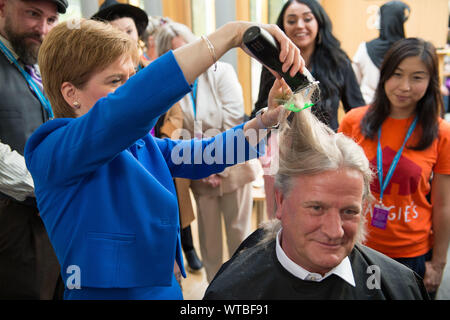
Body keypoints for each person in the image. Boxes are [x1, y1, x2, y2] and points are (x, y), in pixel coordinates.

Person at [24, 18, 302, 299]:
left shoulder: (139, 143)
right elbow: (131, 105)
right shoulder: (52, 150)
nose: (128, 89)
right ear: (71, 93)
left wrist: (267, 120)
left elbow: (205, 154)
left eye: (131, 78)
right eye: (115, 81)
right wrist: (231, 34)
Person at [203, 102, 429, 300]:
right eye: (317, 208)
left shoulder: (400, 288)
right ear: (280, 202)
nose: (334, 231)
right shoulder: (232, 292)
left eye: (349, 211)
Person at [339, 38, 450, 298]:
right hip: (359, 246)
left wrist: (439, 263)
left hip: (412, 254)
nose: (405, 87)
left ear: (430, 82)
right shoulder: (354, 122)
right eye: (397, 75)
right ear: (384, 75)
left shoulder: (441, 133)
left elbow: (443, 204)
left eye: (417, 77)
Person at [156, 22, 260, 283]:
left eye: (186, 50)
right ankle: (215, 293)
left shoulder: (221, 72)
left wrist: (215, 166)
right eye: (174, 55)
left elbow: (235, 120)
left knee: (240, 241)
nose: (184, 59)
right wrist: (201, 168)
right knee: (209, 245)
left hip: (233, 169)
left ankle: (243, 292)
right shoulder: (169, 84)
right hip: (199, 176)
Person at [251, 0, 365, 219]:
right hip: (283, 156)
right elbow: (260, 108)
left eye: (307, 18)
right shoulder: (273, 65)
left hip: (326, 155)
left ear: (319, 22)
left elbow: (357, 110)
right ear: (283, 29)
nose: (300, 25)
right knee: (283, 217)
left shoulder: (338, 61)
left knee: (319, 216)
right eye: (291, 21)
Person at [0, 0, 68, 299]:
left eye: (51, 20)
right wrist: (47, 183)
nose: (42, 29)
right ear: (2, 7)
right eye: (32, 14)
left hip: (51, 218)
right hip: (12, 223)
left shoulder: (37, 64)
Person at [352, 1, 410, 105]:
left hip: (367, 109)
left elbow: (353, 82)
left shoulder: (364, 49)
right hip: (399, 111)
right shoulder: (409, 51)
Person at [92, 0, 149, 70]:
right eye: (118, 33)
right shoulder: (101, 74)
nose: (126, 38)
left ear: (137, 31)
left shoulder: (149, 68)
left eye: (129, 31)